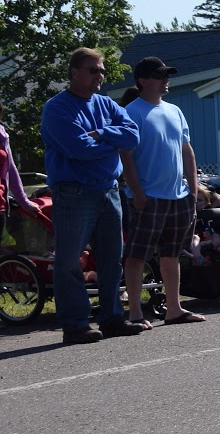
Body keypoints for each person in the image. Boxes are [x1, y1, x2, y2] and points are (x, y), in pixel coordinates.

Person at [40, 47, 144, 345]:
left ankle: (111, 318)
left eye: (101, 70)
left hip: (108, 191)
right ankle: (75, 325)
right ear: (74, 73)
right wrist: (113, 141)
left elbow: (133, 136)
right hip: (73, 193)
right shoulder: (57, 108)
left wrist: (101, 135)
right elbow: (78, 149)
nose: (100, 75)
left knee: (111, 259)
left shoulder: (106, 103)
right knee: (70, 261)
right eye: (93, 70)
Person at [119, 56, 206, 326]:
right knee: (137, 256)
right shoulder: (131, 112)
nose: (166, 80)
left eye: (166, 75)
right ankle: (134, 313)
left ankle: (174, 309)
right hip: (148, 197)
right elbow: (126, 156)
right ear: (143, 80)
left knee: (171, 254)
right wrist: (138, 194)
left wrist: (192, 191)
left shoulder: (174, 111)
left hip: (178, 196)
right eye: (159, 76)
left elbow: (186, 151)